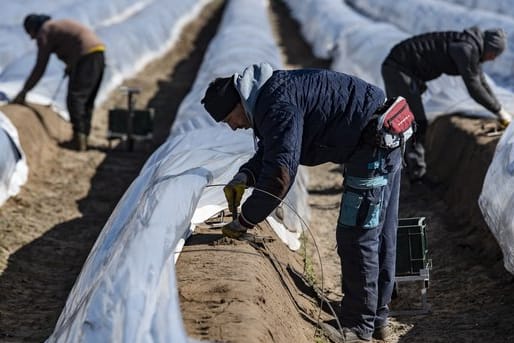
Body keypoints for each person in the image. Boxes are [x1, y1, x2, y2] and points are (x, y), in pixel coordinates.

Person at [201, 63, 415, 342]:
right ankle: (377, 318)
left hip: (373, 144)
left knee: (357, 234)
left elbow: (280, 175)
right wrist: (246, 175)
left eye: (230, 118)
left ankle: (358, 326)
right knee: (380, 232)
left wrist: (245, 219)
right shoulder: (270, 93)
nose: (233, 127)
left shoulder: (275, 104)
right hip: (386, 133)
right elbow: (276, 145)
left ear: (239, 103)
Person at [382, 27, 512, 184]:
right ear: (489, 48)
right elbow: (474, 87)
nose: (492, 59)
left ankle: (401, 166)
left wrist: (499, 108)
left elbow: (481, 81)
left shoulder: (470, 46)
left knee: (408, 122)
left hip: (404, 70)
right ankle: (415, 174)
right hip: (398, 69)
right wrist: (498, 110)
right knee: (414, 123)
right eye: (494, 54)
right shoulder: (465, 49)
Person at [13, 14, 106, 151]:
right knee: (87, 100)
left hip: (86, 57)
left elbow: (40, 66)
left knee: (75, 98)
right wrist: (71, 66)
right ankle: (83, 137)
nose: (31, 38)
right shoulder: (55, 25)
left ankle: (79, 140)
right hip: (98, 53)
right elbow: (74, 43)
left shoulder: (44, 32)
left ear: (33, 28)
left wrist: (25, 90)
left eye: (30, 33)